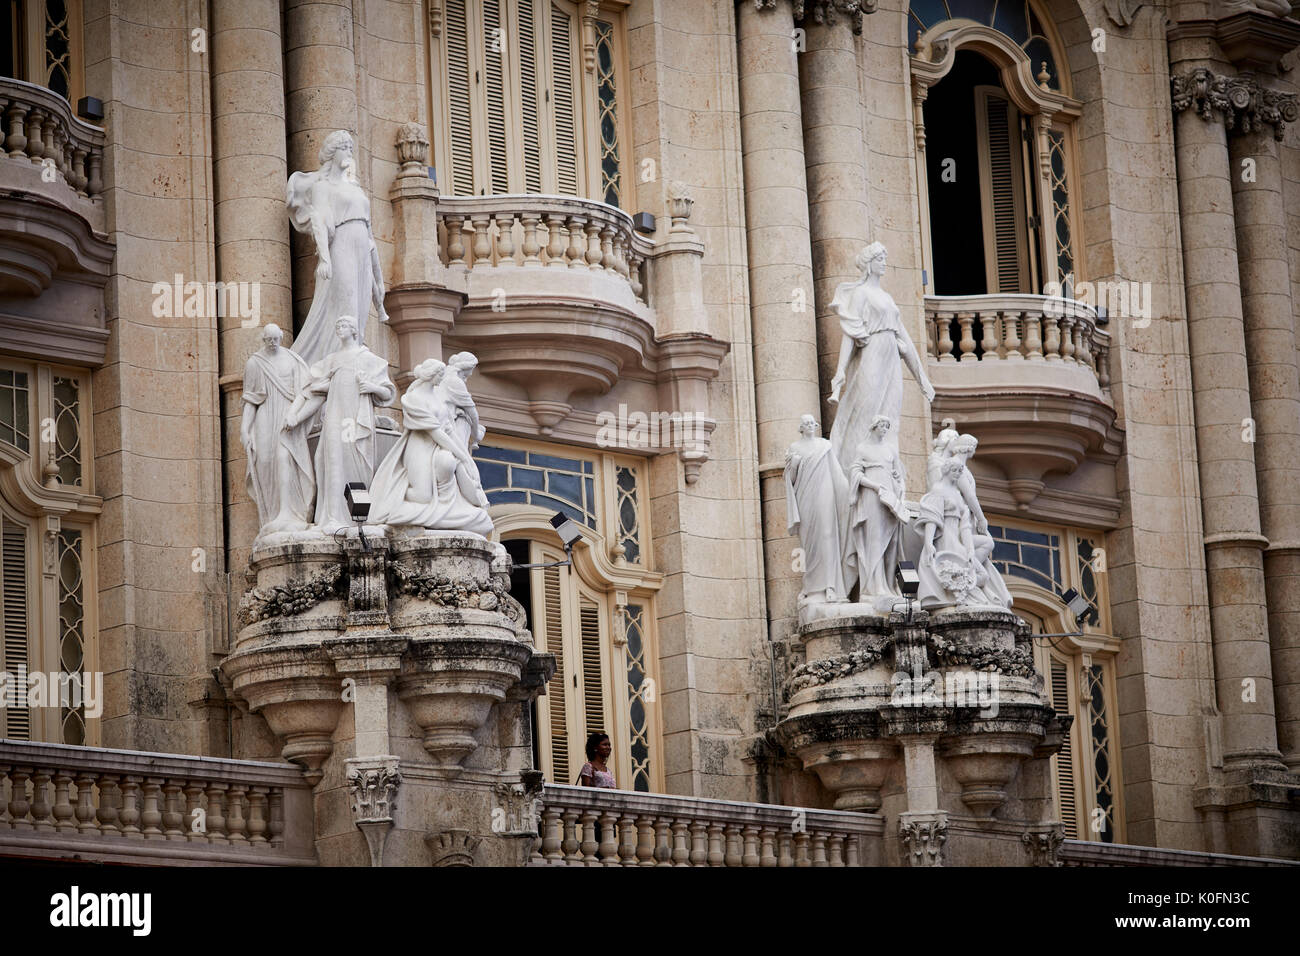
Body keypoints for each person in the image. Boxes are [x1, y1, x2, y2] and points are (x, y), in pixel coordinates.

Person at [283, 316, 396, 533]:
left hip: (356, 419)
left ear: (354, 330)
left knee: (355, 464)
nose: (339, 328)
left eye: (343, 325)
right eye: (338, 325)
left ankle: (355, 516)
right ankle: (332, 517)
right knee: (330, 459)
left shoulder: (369, 359)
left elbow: (387, 393)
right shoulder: (332, 360)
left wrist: (370, 386)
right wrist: (295, 414)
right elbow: (312, 389)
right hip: (335, 417)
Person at [827, 242, 934, 469]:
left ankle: (888, 467)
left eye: (884, 258)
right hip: (872, 354)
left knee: (890, 413)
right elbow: (850, 334)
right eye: (879, 259)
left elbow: (904, 337)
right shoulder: (860, 293)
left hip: (891, 358)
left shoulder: (887, 297)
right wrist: (840, 371)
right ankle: (853, 469)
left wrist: (921, 377)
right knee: (865, 409)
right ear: (868, 264)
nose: (884, 263)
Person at [286, 130, 389, 366]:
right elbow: (320, 221)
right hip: (341, 243)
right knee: (346, 301)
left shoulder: (356, 187)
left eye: (351, 148)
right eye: (345, 148)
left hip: (363, 246)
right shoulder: (322, 187)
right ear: (332, 153)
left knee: (362, 305)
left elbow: (370, 231)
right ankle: (337, 358)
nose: (349, 152)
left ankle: (354, 351)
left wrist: (377, 272)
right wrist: (324, 259)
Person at [368, 358, 493, 535]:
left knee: (449, 463)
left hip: (439, 449)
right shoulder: (412, 399)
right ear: (431, 375)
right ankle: (391, 500)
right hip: (420, 449)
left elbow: (448, 429)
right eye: (441, 374)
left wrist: (463, 456)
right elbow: (436, 433)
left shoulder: (437, 398)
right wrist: (463, 455)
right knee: (422, 496)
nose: (443, 377)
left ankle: (448, 509)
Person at [240, 324, 314, 538]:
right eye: (268, 339)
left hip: (287, 414)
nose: (272, 343)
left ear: (281, 337)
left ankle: (289, 511)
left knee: (285, 457)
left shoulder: (293, 360)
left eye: (275, 339)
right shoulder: (255, 363)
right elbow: (251, 400)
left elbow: (306, 391)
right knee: (265, 461)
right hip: (264, 415)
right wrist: (245, 429)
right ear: (263, 339)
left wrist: (295, 414)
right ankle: (273, 515)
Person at [784, 414, 853, 606]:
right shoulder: (794, 448)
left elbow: (836, 472)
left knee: (827, 534)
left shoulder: (824, 445)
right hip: (805, 494)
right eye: (805, 423)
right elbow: (791, 479)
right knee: (808, 541)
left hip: (825, 491)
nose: (809, 426)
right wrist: (794, 465)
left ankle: (831, 586)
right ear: (801, 428)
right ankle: (810, 586)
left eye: (812, 423)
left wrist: (848, 491)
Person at [847, 415, 908, 600]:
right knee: (876, 538)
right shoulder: (863, 449)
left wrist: (901, 491)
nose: (884, 429)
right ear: (874, 426)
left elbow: (899, 475)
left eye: (887, 426)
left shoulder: (890, 450)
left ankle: (889, 585)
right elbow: (855, 473)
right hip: (872, 496)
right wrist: (874, 486)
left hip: (892, 496)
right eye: (882, 425)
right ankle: (876, 585)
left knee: (893, 542)